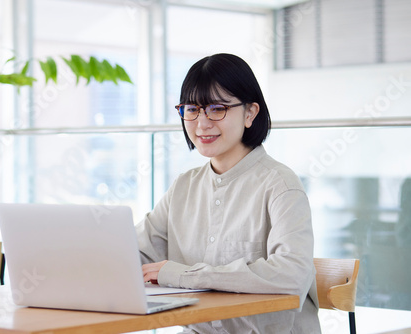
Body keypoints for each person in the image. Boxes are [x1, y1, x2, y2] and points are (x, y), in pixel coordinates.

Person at [135, 53, 321, 333]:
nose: (202, 123)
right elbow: (136, 253)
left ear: (250, 113)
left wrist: (184, 275)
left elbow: (291, 275)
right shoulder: (184, 187)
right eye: (192, 109)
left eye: (217, 108)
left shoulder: (280, 184)